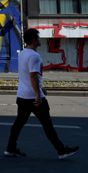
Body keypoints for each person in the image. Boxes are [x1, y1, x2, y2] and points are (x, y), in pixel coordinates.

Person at [5, 28, 79, 160]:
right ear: (34, 40)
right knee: (47, 125)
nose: (40, 40)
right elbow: (33, 75)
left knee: (19, 123)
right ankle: (62, 151)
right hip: (33, 97)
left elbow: (29, 75)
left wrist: (40, 87)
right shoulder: (34, 56)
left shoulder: (23, 53)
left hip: (22, 96)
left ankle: (10, 148)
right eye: (38, 38)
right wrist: (38, 94)